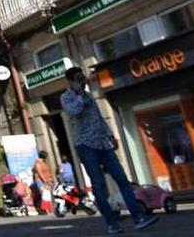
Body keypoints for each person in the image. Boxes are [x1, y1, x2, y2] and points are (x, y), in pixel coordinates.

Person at [61, 67, 158, 235]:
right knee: (98, 186)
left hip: (103, 144)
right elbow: (75, 112)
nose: (82, 81)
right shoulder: (66, 97)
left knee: (122, 179)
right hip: (85, 146)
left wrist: (110, 135)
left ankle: (139, 217)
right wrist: (79, 94)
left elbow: (98, 117)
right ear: (70, 81)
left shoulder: (88, 95)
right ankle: (112, 223)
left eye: (82, 78)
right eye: (78, 79)